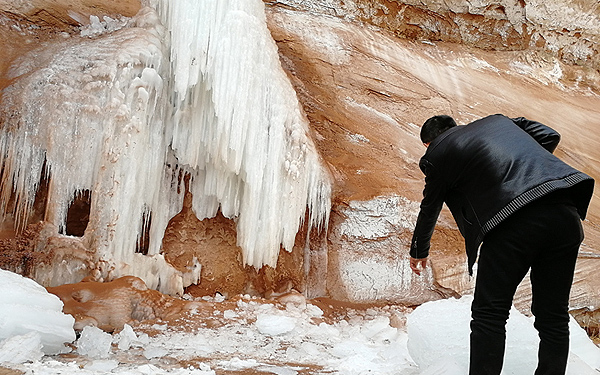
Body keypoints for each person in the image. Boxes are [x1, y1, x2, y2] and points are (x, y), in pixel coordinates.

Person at [409, 114, 594, 375]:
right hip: (565, 215)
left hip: (515, 223)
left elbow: (430, 207)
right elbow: (549, 134)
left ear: (429, 144)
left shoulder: (439, 152)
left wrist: (419, 250)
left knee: (489, 314)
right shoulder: (499, 122)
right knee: (553, 315)